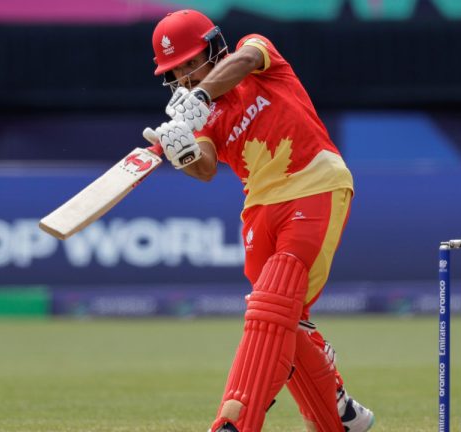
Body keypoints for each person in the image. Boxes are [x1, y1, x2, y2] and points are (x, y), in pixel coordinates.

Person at [148, 9, 375, 432]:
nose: (186, 77)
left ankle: (236, 422)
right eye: (176, 73)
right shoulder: (203, 119)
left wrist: (199, 98)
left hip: (315, 183)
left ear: (214, 47)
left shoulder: (256, 53)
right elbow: (207, 166)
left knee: (271, 309)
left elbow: (247, 60)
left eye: (191, 63)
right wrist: (182, 152)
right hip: (258, 211)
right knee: (282, 318)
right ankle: (339, 417)